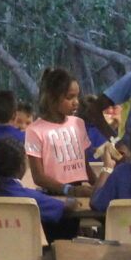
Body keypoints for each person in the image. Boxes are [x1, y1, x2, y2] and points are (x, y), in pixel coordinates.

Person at [0, 137, 71, 238]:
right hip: (25, 256)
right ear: (21, 167)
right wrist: (73, 198)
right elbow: (66, 206)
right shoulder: (30, 199)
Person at [25, 67, 97, 198]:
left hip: (80, 191)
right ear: (52, 98)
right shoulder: (34, 130)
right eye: (70, 97)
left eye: (77, 96)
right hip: (53, 195)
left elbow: (85, 165)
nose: (76, 102)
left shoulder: (78, 123)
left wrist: (99, 188)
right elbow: (38, 177)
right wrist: (69, 190)